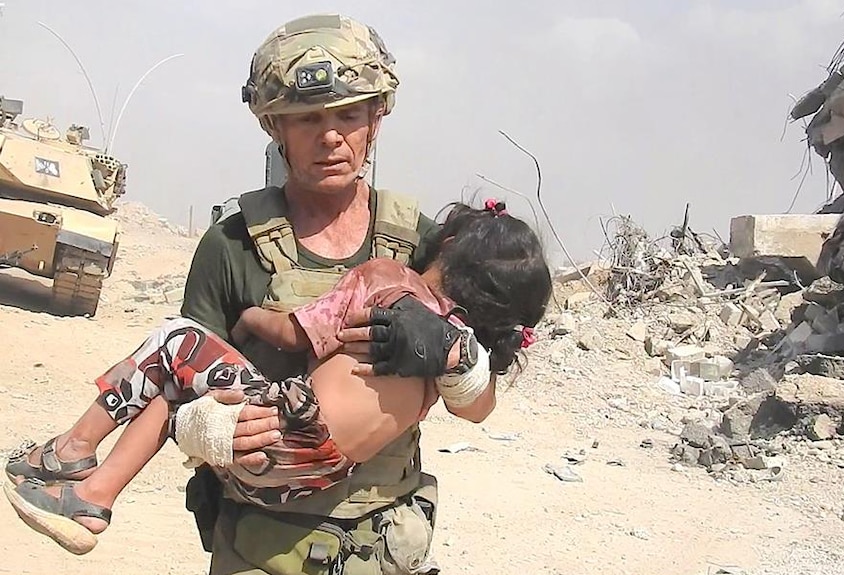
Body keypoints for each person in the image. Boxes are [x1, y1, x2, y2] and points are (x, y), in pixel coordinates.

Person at [2, 13, 508, 575]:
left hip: (382, 544)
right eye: (306, 118)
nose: (331, 135)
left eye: (348, 114)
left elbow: (479, 406)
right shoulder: (232, 245)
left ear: (376, 120)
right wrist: (212, 430)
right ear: (275, 128)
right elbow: (173, 392)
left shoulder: (420, 246)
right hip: (260, 546)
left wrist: (455, 357)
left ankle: (74, 462)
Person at [5, 200, 551, 558]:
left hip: (283, 431)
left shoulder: (389, 279)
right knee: (176, 398)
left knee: (176, 342)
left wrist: (248, 318)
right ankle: (89, 498)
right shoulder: (450, 350)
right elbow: (472, 400)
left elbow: (298, 333)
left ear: (450, 245)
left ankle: (74, 456)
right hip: (308, 479)